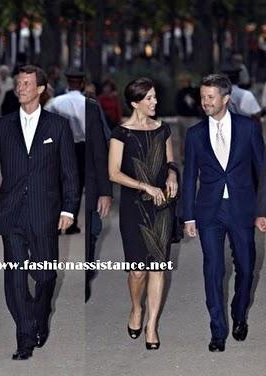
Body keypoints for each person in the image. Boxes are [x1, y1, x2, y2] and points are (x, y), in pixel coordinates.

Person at [0, 65, 79, 360]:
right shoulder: (2, 126)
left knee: (45, 276)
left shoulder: (58, 126)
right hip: (11, 214)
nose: (20, 88)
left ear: (41, 89)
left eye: (27, 84)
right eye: (18, 83)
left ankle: (40, 315)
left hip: (45, 213)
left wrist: (70, 209)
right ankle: (24, 335)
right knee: (16, 276)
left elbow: (70, 173)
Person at [183, 74, 264, 352]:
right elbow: (189, 175)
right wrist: (189, 216)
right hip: (209, 212)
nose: (204, 102)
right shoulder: (194, 134)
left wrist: (262, 210)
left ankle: (239, 314)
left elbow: (262, 170)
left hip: (241, 208)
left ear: (225, 99)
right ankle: (217, 330)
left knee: (245, 266)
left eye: (210, 97)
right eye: (203, 97)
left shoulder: (248, 128)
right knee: (213, 269)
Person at [108, 77, 178, 350]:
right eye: (149, 98)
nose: (155, 102)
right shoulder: (121, 132)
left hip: (161, 205)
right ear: (135, 102)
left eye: (155, 97)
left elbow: (171, 161)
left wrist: (172, 175)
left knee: (158, 267)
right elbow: (113, 172)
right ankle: (136, 308)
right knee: (138, 271)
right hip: (134, 206)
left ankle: (152, 326)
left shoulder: (163, 129)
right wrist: (144, 185)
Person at [45, 68, 86, 234]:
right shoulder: (88, 104)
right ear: (82, 83)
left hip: (59, 146)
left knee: (57, 184)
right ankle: (71, 222)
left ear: (68, 82)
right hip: (81, 147)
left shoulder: (56, 102)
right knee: (76, 185)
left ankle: (55, 222)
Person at [85, 97, 112, 302]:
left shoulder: (91, 108)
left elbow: (100, 150)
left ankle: (87, 271)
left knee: (92, 229)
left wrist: (105, 191)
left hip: (91, 182)